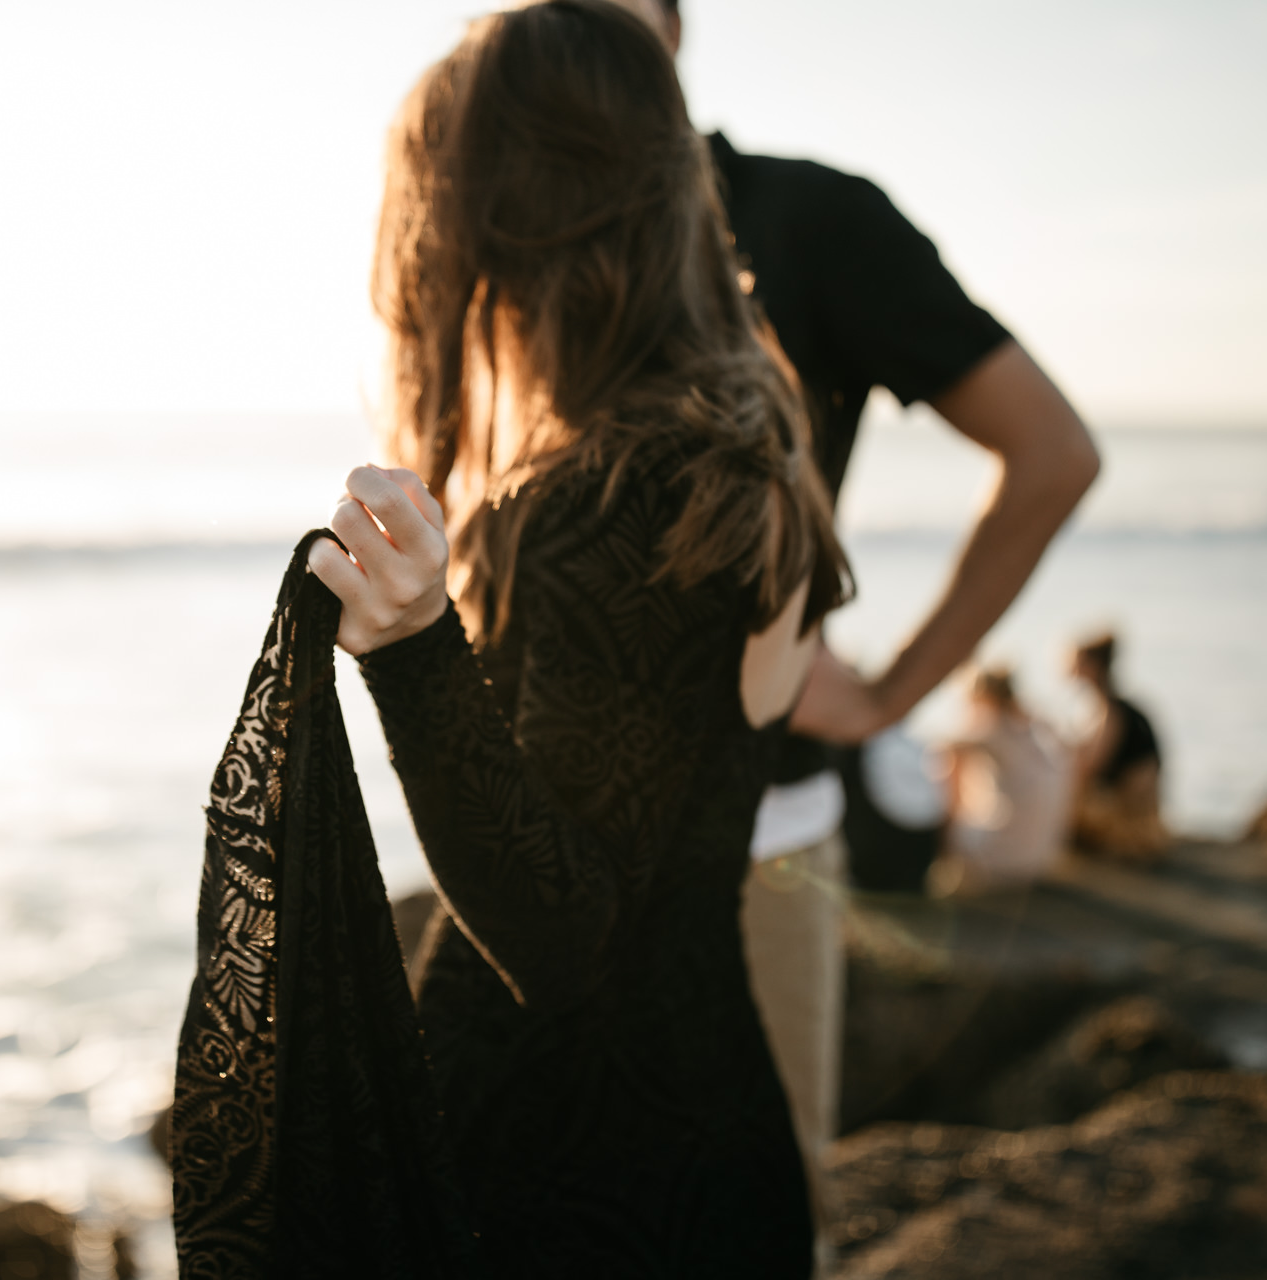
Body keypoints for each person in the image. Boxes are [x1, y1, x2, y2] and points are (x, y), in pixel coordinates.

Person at [306, 2, 849, 1272]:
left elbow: (562, 939)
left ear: (501, 215)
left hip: (571, 1186)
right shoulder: (752, 434)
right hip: (712, 1139)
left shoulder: (622, 490)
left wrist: (412, 649)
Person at [609, 0, 1103, 1232]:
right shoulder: (485, 230)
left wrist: (889, 694)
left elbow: (1052, 454)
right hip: (526, 839)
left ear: (672, 25)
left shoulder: (808, 220)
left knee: (758, 1227)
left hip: (756, 835)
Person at [932, 665, 1071, 895]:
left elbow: (943, 748)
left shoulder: (991, 726)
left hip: (1001, 858)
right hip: (1040, 858)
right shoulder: (1034, 729)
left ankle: (943, 853)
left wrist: (949, 817)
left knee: (951, 766)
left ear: (982, 698)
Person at [1069, 631, 1168, 861]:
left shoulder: (1111, 713)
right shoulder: (1112, 708)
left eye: (1078, 662)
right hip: (1140, 815)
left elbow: (1088, 770)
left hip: (1131, 822)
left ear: (1093, 667)